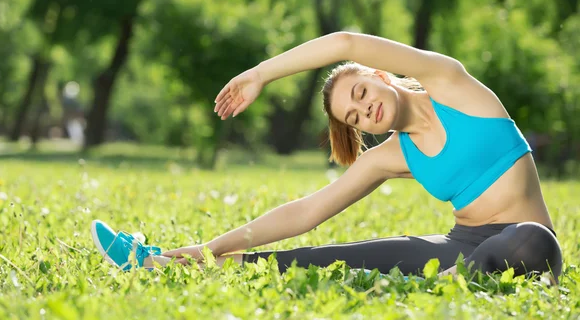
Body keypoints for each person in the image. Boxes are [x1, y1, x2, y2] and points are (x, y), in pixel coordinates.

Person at [91, 32, 562, 280]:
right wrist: (210, 247)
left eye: (360, 92)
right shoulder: (391, 156)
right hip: (462, 248)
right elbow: (306, 213)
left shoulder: (452, 84)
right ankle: (162, 264)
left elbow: (345, 44)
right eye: (354, 116)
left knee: (531, 242)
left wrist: (260, 74)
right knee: (325, 258)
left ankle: (444, 281)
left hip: (527, 243)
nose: (365, 109)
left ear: (380, 75)